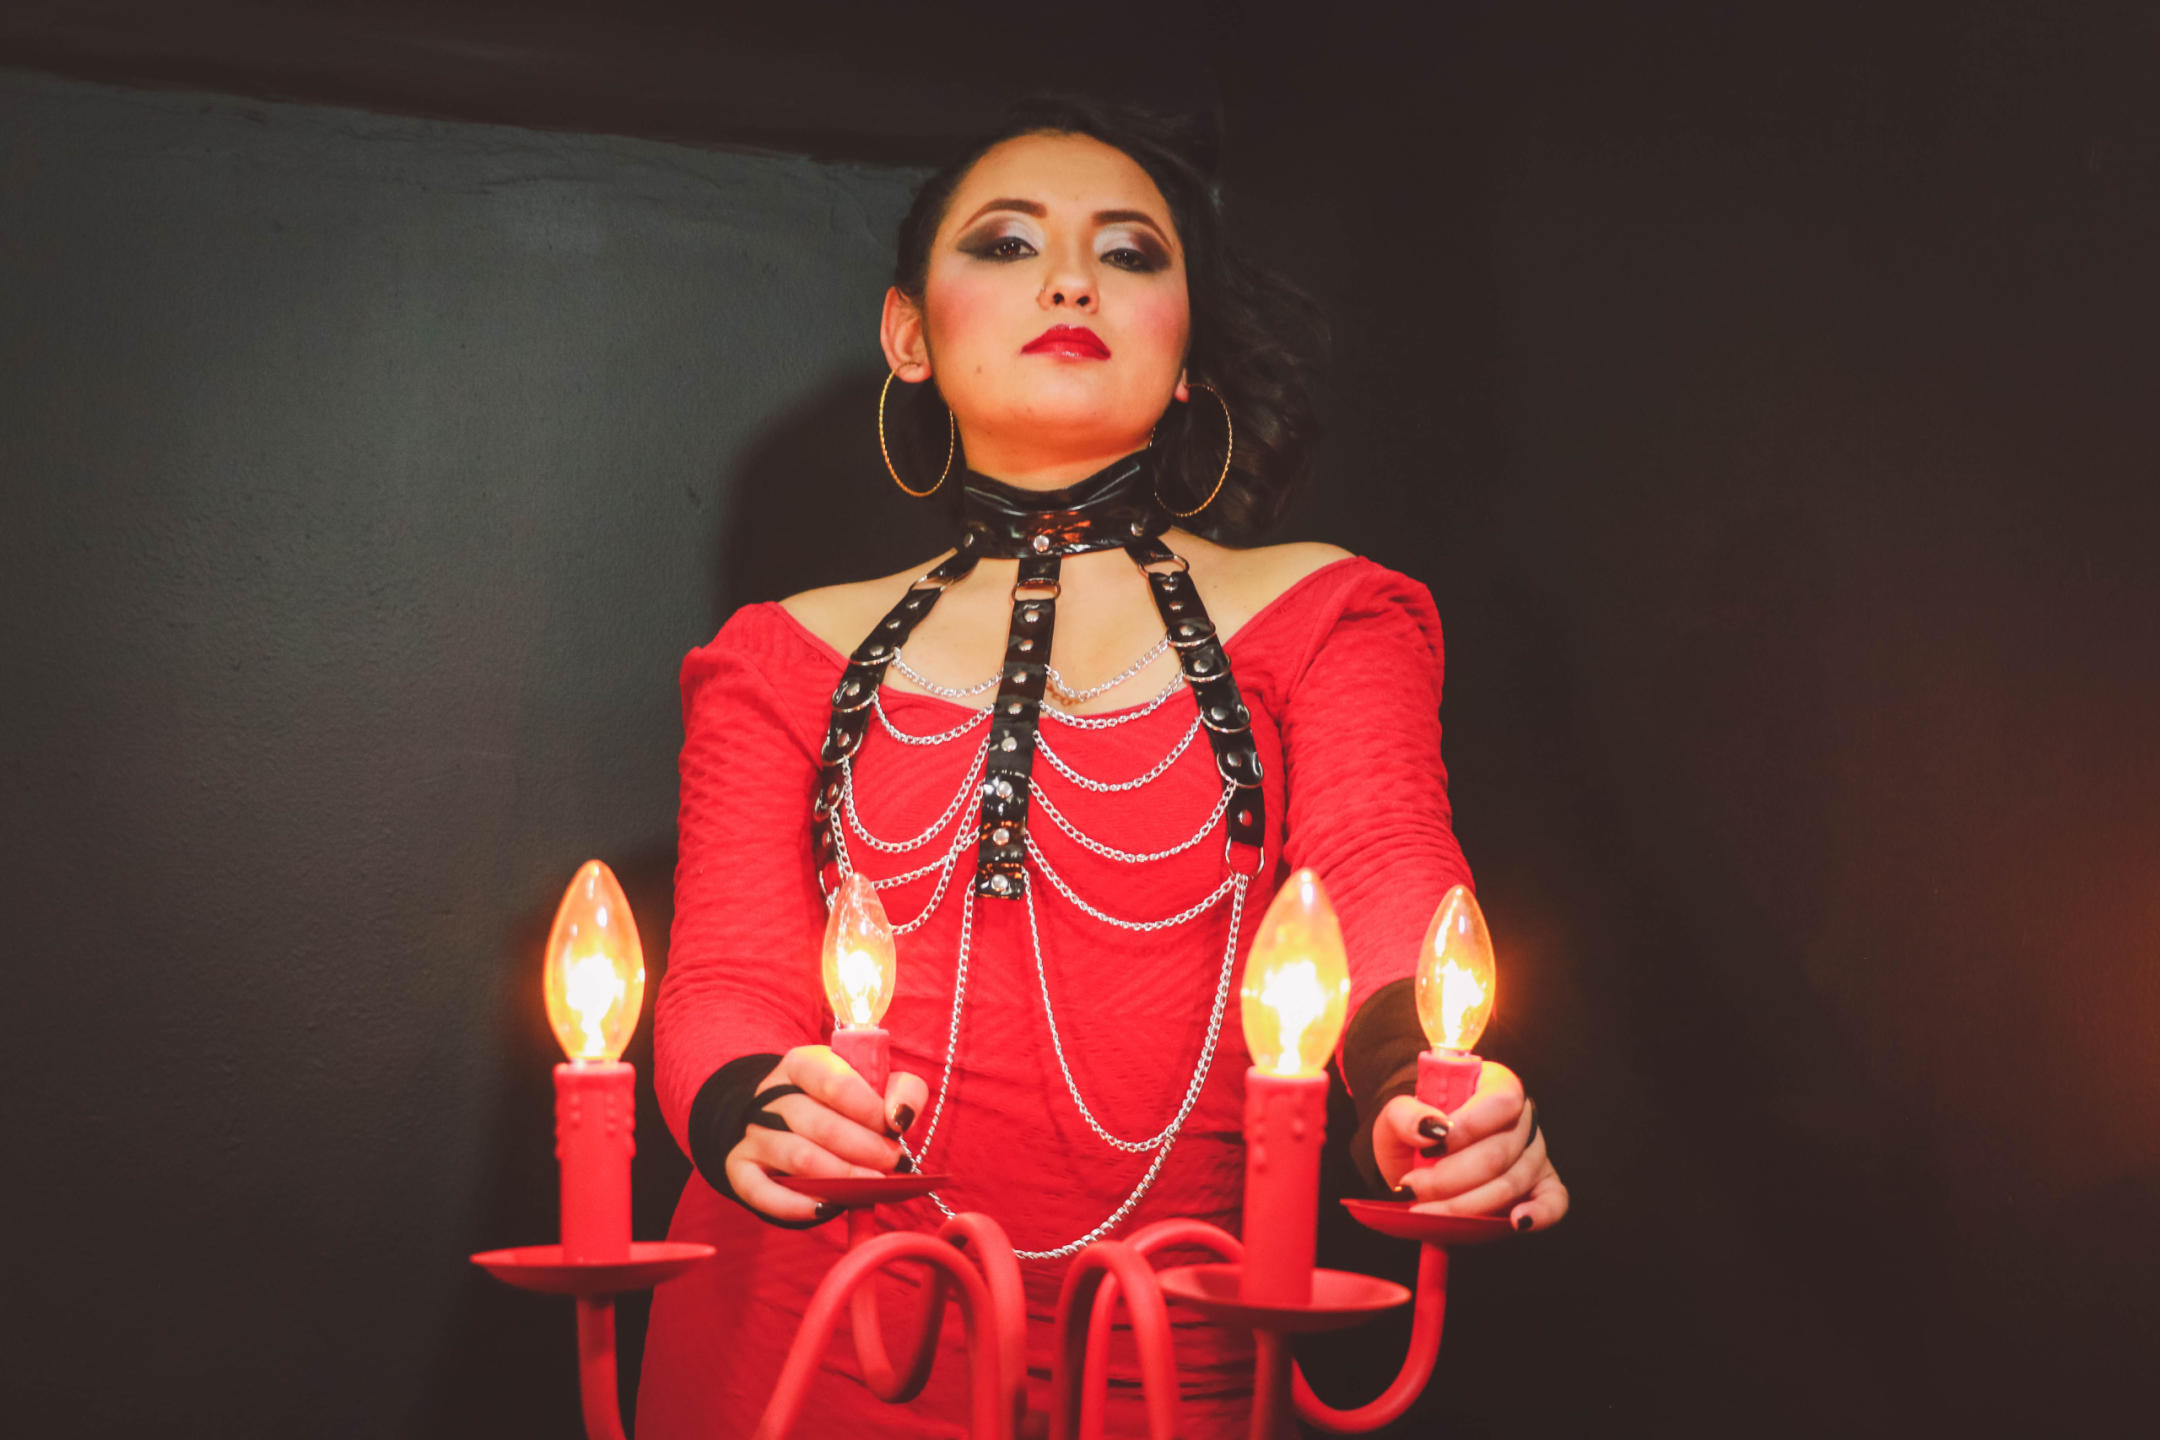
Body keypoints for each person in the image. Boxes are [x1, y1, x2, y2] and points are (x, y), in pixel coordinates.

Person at [638, 95, 1568, 1439]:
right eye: (1008, 244)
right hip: (809, 1334)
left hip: (1169, 1342)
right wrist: (749, 1107)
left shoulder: (1328, 612)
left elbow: (1385, 875)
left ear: (1187, 355)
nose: (1072, 278)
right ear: (909, 334)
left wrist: (1425, 1094)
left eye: (1130, 253)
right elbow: (724, 979)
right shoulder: (778, 654)